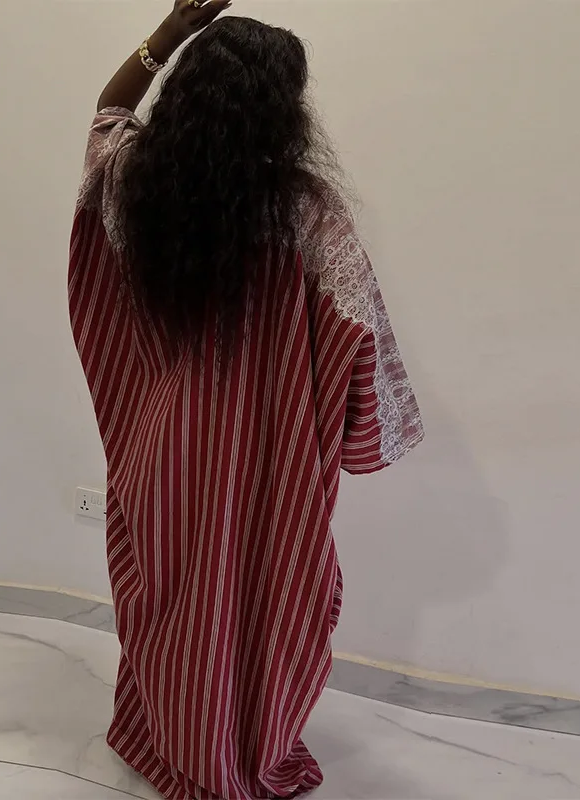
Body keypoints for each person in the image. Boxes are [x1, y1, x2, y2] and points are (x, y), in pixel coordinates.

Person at [68, 2, 424, 797]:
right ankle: (239, 754)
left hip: (161, 452)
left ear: (186, 90)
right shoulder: (308, 212)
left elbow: (109, 110)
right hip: (271, 459)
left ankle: (165, 739)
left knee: (167, 598)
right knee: (268, 603)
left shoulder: (133, 183)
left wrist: (170, 29)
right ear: (284, 110)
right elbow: (359, 333)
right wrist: (363, 435)